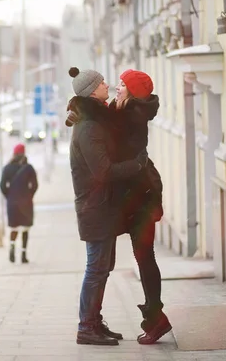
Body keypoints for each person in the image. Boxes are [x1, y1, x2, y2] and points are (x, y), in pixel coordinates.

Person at [67, 67, 148, 346]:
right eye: (101, 82)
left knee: (102, 266)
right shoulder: (88, 127)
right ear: (91, 90)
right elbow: (102, 170)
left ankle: (94, 322)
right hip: (95, 206)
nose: (107, 85)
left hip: (101, 205)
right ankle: (86, 326)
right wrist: (136, 165)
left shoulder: (93, 119)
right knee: (96, 267)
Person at [111, 69, 171, 344]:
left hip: (141, 199)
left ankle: (157, 320)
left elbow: (123, 157)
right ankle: (155, 319)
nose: (117, 88)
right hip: (142, 196)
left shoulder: (130, 117)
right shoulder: (130, 112)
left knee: (145, 257)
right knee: (145, 257)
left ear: (133, 91)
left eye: (122, 85)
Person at [0, 143, 38, 264]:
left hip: (12, 202)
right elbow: (35, 185)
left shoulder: (7, 168)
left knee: (14, 228)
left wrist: (9, 196)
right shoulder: (28, 168)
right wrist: (29, 195)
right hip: (26, 202)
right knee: (25, 229)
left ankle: (12, 248)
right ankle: (23, 254)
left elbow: (2, 185)